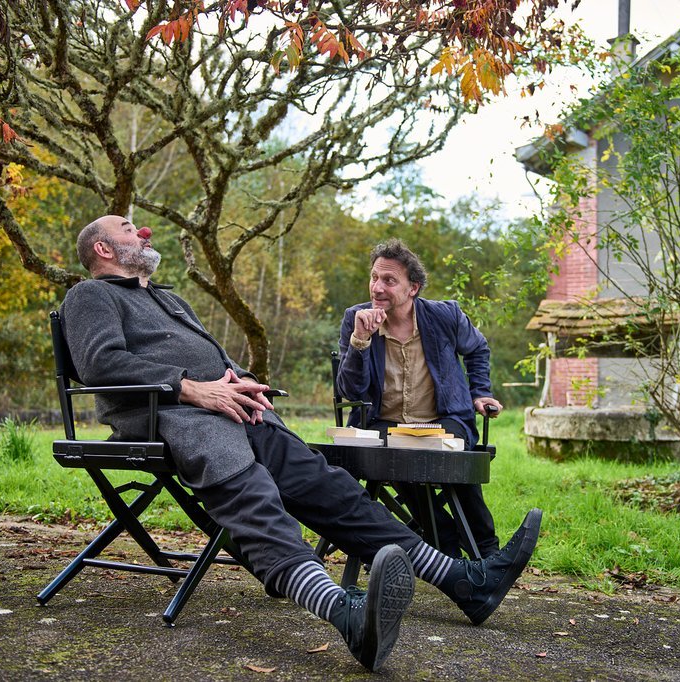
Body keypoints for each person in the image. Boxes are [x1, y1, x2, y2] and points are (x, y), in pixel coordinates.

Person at [60, 215, 542, 673]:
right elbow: (100, 364)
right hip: (172, 418)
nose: (143, 233)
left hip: (234, 410)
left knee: (331, 487)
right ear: (104, 248)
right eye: (129, 229)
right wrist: (191, 388)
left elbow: (217, 358)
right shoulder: (90, 295)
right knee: (254, 497)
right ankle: (345, 615)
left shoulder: (167, 298)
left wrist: (243, 379)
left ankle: (463, 580)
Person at [337, 238, 503, 558]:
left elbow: (478, 349)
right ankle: (444, 540)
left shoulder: (445, 315)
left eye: (389, 280)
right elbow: (351, 392)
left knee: (453, 456)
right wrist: (360, 341)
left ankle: (487, 549)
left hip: (444, 419)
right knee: (398, 449)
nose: (377, 288)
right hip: (382, 422)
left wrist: (481, 391)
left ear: (413, 288)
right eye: (374, 277)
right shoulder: (356, 319)